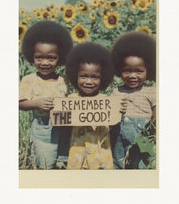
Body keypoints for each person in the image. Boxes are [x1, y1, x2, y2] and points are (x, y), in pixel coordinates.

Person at [19, 20, 73, 169]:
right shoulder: (29, 80)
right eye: (39, 57)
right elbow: (20, 103)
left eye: (51, 58)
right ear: (32, 56)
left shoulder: (64, 79)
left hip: (64, 125)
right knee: (45, 162)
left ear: (60, 57)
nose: (45, 62)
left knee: (64, 159)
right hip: (43, 128)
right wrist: (37, 103)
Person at [64, 42, 116, 170]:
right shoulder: (71, 99)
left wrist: (119, 110)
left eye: (95, 77)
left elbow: (114, 121)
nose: (89, 82)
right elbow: (62, 121)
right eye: (84, 76)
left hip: (100, 151)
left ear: (103, 78)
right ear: (75, 75)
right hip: (78, 150)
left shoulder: (107, 101)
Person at [110, 31, 156, 169]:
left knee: (141, 165)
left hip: (142, 138)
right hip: (118, 138)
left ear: (148, 70)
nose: (132, 75)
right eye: (127, 70)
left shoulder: (152, 91)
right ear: (119, 70)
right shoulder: (116, 91)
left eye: (139, 71)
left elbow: (156, 114)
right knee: (118, 163)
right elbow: (107, 113)